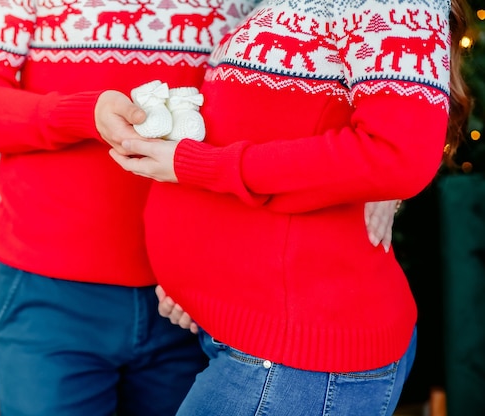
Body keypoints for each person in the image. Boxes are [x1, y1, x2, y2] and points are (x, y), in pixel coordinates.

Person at [0, 1, 406, 415]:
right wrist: (83, 114)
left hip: (201, 301)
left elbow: (353, 80)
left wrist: (386, 172)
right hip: (52, 297)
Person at [110, 0, 472, 413]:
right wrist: (197, 283)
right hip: (251, 336)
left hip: (297, 355)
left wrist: (194, 164)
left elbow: (395, 156)